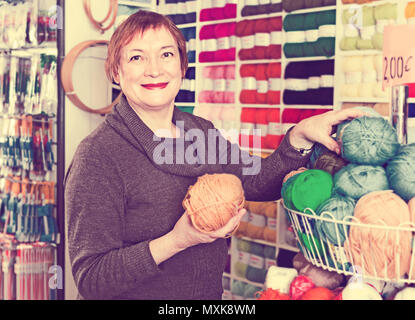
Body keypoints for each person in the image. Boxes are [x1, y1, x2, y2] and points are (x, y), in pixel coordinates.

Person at [65, 10, 366, 300]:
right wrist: (176, 241)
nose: (154, 69)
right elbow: (92, 278)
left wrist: (299, 135)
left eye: (166, 54)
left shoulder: (199, 131)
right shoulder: (98, 156)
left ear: (182, 66)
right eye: (136, 57)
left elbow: (260, 180)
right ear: (116, 72)